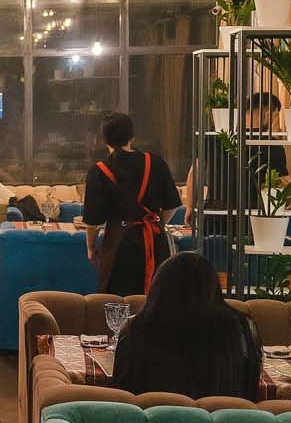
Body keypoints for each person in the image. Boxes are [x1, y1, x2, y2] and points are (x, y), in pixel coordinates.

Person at [111, 252, 262, 400]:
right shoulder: (241, 330)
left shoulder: (135, 328)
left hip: (153, 414)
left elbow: (123, 395)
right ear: (213, 288)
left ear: (158, 288)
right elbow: (249, 391)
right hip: (223, 415)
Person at [83, 112, 182, 295]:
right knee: (156, 297)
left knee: (118, 300)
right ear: (132, 137)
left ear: (104, 139)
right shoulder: (155, 163)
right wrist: (156, 223)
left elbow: (93, 221)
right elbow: (172, 205)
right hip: (154, 242)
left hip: (119, 246)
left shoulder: (99, 171)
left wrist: (90, 247)